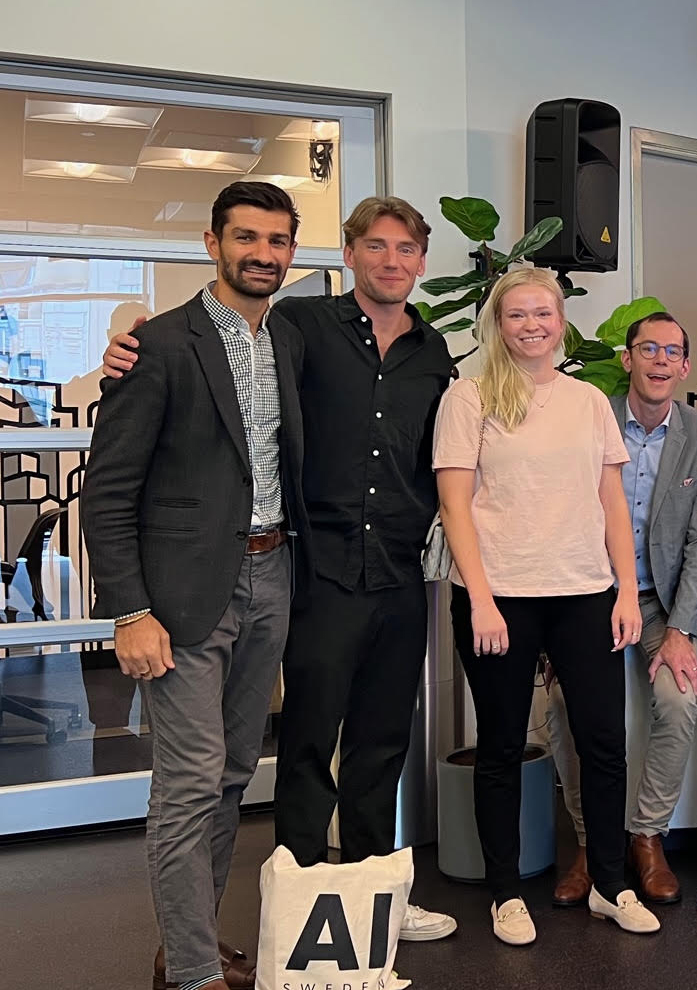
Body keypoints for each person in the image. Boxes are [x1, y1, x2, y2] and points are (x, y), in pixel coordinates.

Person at [103, 197, 460, 946]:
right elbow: (189, 340)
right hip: (313, 570)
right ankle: (292, 909)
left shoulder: (433, 354)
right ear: (350, 254)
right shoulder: (303, 327)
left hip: (391, 573)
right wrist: (122, 335)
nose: (392, 261)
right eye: (377, 246)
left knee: (374, 745)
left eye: (407, 250)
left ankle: (372, 900)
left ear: (422, 262)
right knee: (295, 750)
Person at [85, 181, 308, 990]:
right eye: (246, 237)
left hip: (270, 575)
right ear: (213, 243)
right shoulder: (160, 344)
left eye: (277, 240)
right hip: (179, 597)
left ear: (291, 250)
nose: (262, 254)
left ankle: (191, 940)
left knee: (233, 773)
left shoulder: (288, 339)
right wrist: (131, 611)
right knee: (189, 780)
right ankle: (190, 973)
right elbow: (106, 491)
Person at [434, 267, 656, 941]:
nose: (532, 325)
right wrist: (481, 600)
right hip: (498, 599)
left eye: (544, 314)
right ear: (497, 325)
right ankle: (505, 893)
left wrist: (625, 589)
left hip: (585, 594)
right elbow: (455, 505)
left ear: (563, 322)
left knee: (604, 744)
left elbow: (611, 502)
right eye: (517, 315)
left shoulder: (589, 400)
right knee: (501, 745)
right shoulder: (468, 398)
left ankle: (612, 885)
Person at [543, 311, 697, 907]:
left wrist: (680, 630)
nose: (659, 361)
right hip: (591, 592)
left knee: (678, 698)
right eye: (648, 349)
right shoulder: (589, 416)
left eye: (672, 351)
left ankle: (647, 835)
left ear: (684, 366)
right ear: (627, 360)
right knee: (566, 704)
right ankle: (591, 842)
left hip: (662, 602)